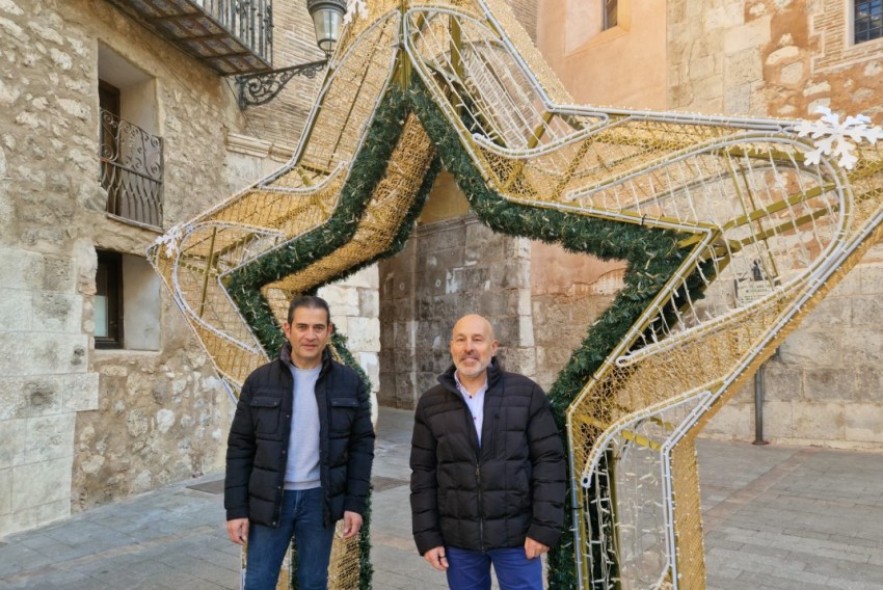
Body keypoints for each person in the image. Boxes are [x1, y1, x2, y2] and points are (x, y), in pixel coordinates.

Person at [224, 295, 375, 590]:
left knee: (312, 582)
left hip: (320, 501)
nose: (310, 335)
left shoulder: (349, 383)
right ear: (287, 329)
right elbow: (240, 447)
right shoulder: (259, 382)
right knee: (258, 582)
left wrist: (355, 503)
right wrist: (236, 509)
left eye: (318, 328)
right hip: (270, 499)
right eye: (302, 326)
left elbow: (361, 446)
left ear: (329, 331)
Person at [410, 313, 566, 590]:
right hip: (460, 540)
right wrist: (428, 537)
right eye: (461, 339)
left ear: (493, 347)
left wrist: (543, 528)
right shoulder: (431, 404)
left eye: (477, 339)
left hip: (518, 537)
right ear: (451, 347)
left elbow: (549, 461)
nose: (468, 347)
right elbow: (423, 473)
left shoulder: (526, 394)